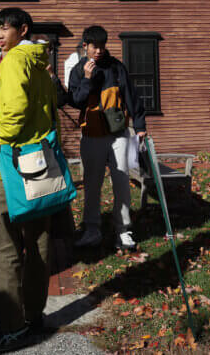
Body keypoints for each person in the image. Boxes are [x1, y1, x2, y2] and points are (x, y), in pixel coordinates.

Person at [0, 8, 57, 352]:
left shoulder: (11, 60)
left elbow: (15, 108)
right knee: (36, 239)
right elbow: (51, 104)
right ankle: (34, 315)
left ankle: (10, 325)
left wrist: (0, 139)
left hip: (14, 162)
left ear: (22, 29)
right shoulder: (41, 62)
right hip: (41, 157)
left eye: (4, 28)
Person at [68, 25, 147, 251]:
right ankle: (92, 229)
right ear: (85, 46)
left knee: (121, 181)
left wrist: (140, 125)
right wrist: (87, 78)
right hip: (91, 135)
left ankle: (123, 230)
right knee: (92, 184)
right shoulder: (77, 70)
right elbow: (76, 101)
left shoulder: (117, 67)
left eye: (103, 46)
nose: (99, 51)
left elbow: (131, 95)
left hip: (119, 134)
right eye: (95, 47)